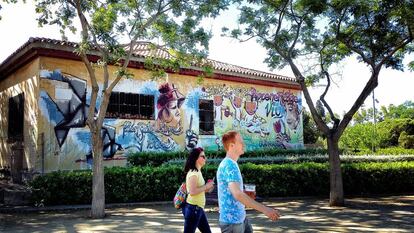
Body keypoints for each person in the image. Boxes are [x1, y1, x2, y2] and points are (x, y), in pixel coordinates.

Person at [217, 131, 281, 233]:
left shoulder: (230, 163)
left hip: (239, 218)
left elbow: (236, 193)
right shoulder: (229, 165)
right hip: (233, 222)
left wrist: (246, 195)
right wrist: (265, 210)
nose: (243, 144)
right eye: (240, 142)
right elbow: (237, 194)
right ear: (232, 146)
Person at [182, 147, 215, 233]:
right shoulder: (193, 173)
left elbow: (199, 190)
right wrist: (206, 186)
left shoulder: (197, 172)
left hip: (198, 209)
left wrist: (208, 188)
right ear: (196, 158)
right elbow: (192, 192)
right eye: (203, 156)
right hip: (194, 210)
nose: (205, 158)